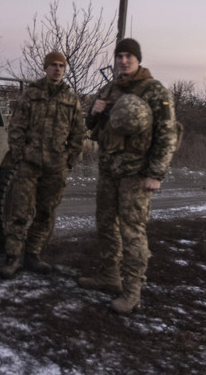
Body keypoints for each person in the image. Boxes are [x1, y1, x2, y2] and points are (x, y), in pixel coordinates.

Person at [77, 38, 179, 314]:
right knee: (106, 224)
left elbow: (167, 134)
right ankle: (109, 277)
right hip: (109, 169)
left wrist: (156, 173)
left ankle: (133, 292)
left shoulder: (155, 91)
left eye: (129, 56)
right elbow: (91, 126)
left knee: (132, 231)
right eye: (119, 55)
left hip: (136, 173)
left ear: (138, 59)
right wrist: (93, 111)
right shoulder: (109, 88)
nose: (123, 60)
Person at [0, 51, 86, 279]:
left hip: (56, 167)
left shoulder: (71, 100)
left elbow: (78, 134)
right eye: (53, 65)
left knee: (46, 213)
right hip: (29, 165)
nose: (57, 69)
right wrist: (19, 154)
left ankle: (33, 254)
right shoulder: (31, 94)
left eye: (61, 66)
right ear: (46, 68)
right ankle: (12, 257)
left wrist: (69, 160)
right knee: (19, 211)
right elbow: (16, 127)